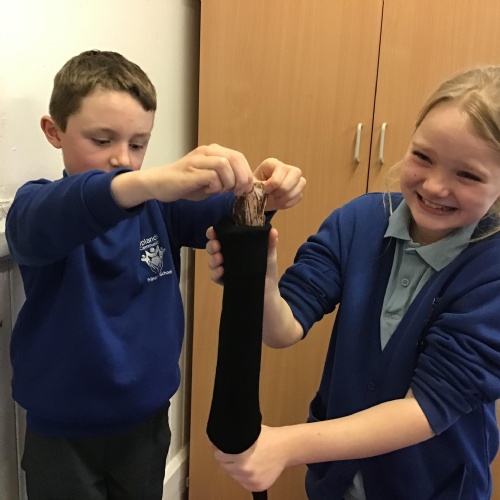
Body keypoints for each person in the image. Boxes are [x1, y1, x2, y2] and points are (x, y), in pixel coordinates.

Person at [5, 49, 306, 500]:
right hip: (62, 435)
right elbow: (55, 214)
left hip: (145, 426)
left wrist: (267, 191)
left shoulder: (160, 210)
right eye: (102, 140)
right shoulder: (37, 208)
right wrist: (150, 182)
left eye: (138, 144)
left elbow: (228, 211)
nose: (123, 159)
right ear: (54, 131)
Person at [206, 65, 500, 499]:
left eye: (468, 175)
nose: (436, 186)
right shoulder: (360, 220)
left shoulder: (491, 270)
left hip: (435, 487)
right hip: (338, 483)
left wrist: (286, 446)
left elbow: (428, 407)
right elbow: (282, 329)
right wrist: (259, 277)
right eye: (423, 157)